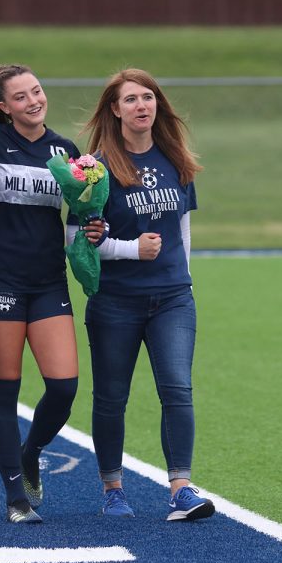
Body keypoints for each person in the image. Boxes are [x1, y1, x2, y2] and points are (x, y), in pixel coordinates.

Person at [0, 65, 104, 524]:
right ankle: (16, 499)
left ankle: (31, 450)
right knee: (6, 390)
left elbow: (78, 215)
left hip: (47, 280)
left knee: (63, 387)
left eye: (36, 91)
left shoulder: (66, 150)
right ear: (4, 107)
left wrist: (91, 228)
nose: (33, 101)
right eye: (20, 97)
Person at [71, 68, 214, 521]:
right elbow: (78, 241)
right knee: (112, 397)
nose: (141, 105)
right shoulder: (93, 169)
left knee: (177, 389)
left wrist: (182, 276)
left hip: (172, 299)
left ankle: (181, 488)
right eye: (130, 99)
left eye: (147, 97)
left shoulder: (175, 159)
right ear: (115, 110)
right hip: (115, 301)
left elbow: (182, 228)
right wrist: (132, 250)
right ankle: (113, 489)